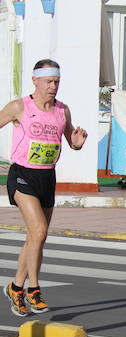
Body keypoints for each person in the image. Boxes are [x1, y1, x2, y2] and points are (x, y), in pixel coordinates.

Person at [0, 59, 87, 316]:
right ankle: (33, 290)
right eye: (49, 81)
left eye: (57, 82)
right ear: (35, 80)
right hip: (22, 175)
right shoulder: (19, 107)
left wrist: (77, 142)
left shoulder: (62, 110)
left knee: (36, 237)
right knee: (38, 230)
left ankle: (16, 287)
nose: (53, 87)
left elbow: (71, 139)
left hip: (47, 177)